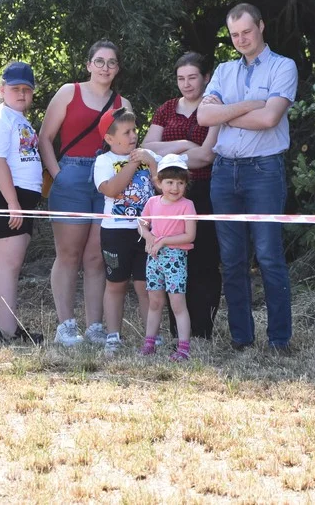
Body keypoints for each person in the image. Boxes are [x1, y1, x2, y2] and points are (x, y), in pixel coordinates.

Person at [197, 3, 298, 352]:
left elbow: (270, 119)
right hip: (224, 171)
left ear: (261, 27)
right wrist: (249, 105)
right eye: (234, 34)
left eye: (247, 32)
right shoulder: (224, 70)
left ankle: (279, 340)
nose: (241, 39)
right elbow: (203, 116)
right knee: (233, 259)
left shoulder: (284, 67)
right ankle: (241, 337)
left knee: (269, 256)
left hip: (264, 171)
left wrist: (224, 114)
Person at [38, 41, 130, 346]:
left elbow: (127, 147)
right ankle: (65, 325)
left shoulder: (122, 104)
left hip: (107, 179)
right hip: (71, 177)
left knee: (95, 258)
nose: (105, 67)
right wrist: (59, 175)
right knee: (68, 254)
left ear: (117, 68)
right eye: (100, 61)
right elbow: (45, 138)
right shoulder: (69, 92)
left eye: (112, 62)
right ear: (88, 64)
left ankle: (94, 327)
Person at [141, 52, 222, 339]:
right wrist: (186, 143)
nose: (186, 84)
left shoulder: (214, 108)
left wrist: (170, 151)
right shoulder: (166, 109)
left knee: (203, 259)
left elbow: (205, 157)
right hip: (169, 196)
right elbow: (148, 147)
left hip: (204, 191)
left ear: (206, 78)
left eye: (192, 77)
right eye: (180, 78)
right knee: (171, 259)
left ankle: (202, 329)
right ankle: (178, 331)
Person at [0, 62, 44, 345]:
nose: (21, 94)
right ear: (2, 90)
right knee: (7, 267)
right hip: (2, 195)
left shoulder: (18, 118)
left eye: (27, 89)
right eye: (15, 88)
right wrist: (13, 203)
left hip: (15, 196)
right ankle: (9, 333)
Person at [93, 107, 159, 355]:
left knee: (146, 286)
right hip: (115, 232)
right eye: (126, 131)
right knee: (116, 285)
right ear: (110, 139)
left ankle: (152, 337)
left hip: (146, 233)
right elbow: (110, 189)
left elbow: (162, 188)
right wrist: (132, 164)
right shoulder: (104, 161)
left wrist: (151, 163)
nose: (133, 136)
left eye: (135, 130)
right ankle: (113, 336)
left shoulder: (147, 156)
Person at [138, 154, 196, 361]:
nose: (175, 187)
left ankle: (183, 348)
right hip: (154, 258)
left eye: (180, 183)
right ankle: (149, 343)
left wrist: (163, 241)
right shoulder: (153, 202)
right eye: (170, 182)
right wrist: (149, 237)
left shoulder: (187, 205)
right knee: (154, 302)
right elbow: (142, 224)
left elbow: (190, 235)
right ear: (159, 182)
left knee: (178, 303)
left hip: (175, 258)